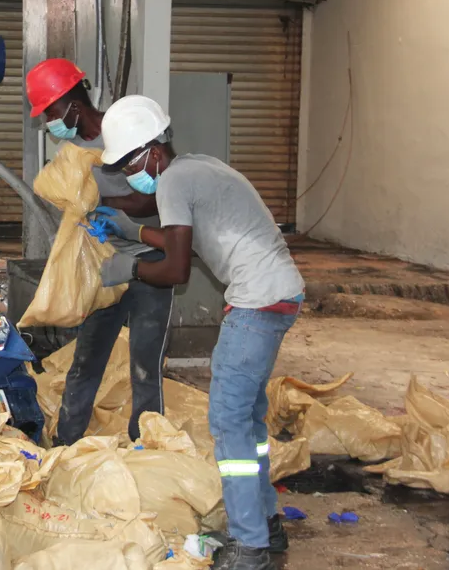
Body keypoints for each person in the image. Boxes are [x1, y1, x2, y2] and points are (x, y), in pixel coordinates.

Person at [96, 95, 306, 570]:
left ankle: (250, 546)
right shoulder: (197, 168)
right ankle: (265, 524)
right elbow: (183, 241)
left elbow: (176, 269)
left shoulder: (173, 180)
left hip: (255, 303)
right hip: (279, 293)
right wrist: (132, 230)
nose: (129, 174)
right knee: (248, 420)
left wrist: (130, 268)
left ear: (153, 151)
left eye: (129, 164)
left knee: (228, 421)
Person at [25, 59, 174, 446]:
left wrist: (109, 209)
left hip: (150, 260)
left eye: (52, 113)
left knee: (145, 364)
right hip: (104, 265)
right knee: (87, 358)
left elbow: (160, 192)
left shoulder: (127, 130)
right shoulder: (72, 153)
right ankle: (66, 445)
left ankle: (147, 447)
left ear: (74, 105)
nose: (50, 123)